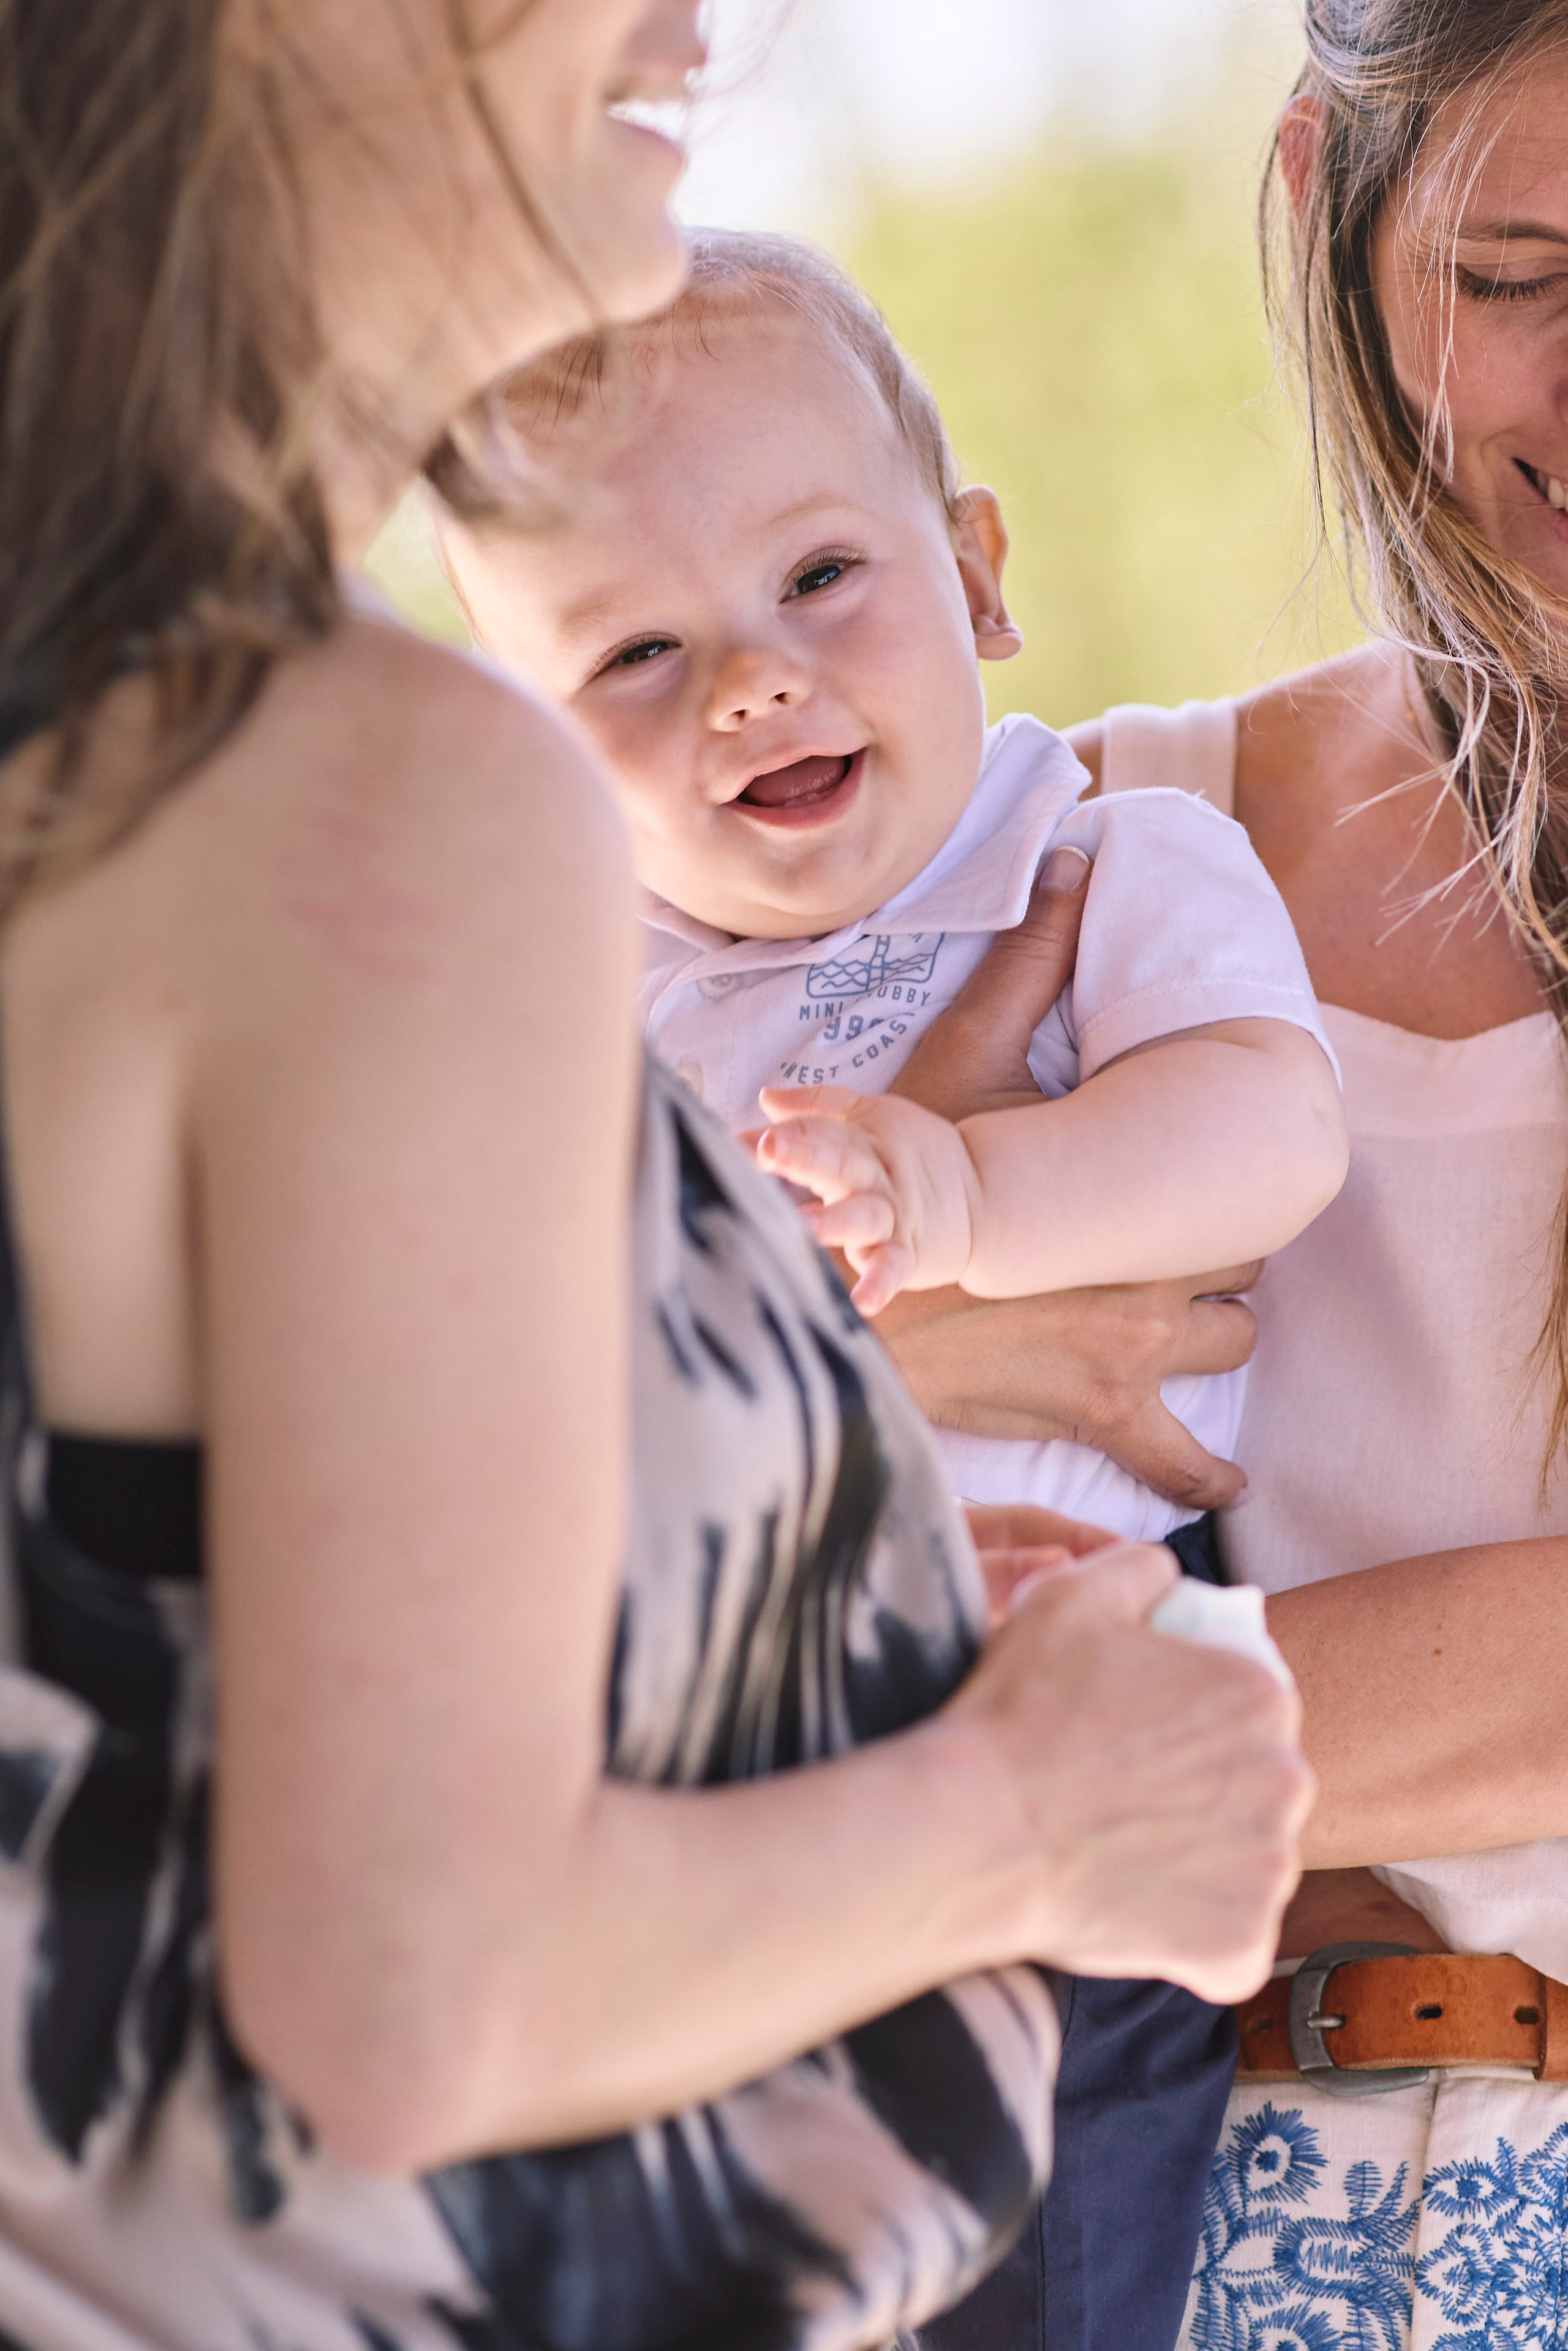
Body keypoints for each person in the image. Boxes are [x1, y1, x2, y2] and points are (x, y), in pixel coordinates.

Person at [0, 7, 1313, 2351]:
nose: (698, 24)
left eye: (823, 577)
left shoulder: (104, 743)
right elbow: (417, 1991)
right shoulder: (373, 794)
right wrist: (1052, 1808)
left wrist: (829, 1572)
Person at [435, 225, 1346, 2351]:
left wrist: (972, 1195)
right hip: (697, 1850)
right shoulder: (580, 1013)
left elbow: (1267, 1127)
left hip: (1059, 1777)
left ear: (981, 570)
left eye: (819, 580)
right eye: (633, 659)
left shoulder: (1089, 855)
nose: (753, 680)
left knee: (1041, 2277)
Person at [863, 3, 1568, 2344]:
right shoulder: (1097, 861)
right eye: (1517, 277)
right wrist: (855, 1345)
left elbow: (829, 1642)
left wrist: (1040, 1713)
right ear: (1328, 212)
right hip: (1169, 2243)